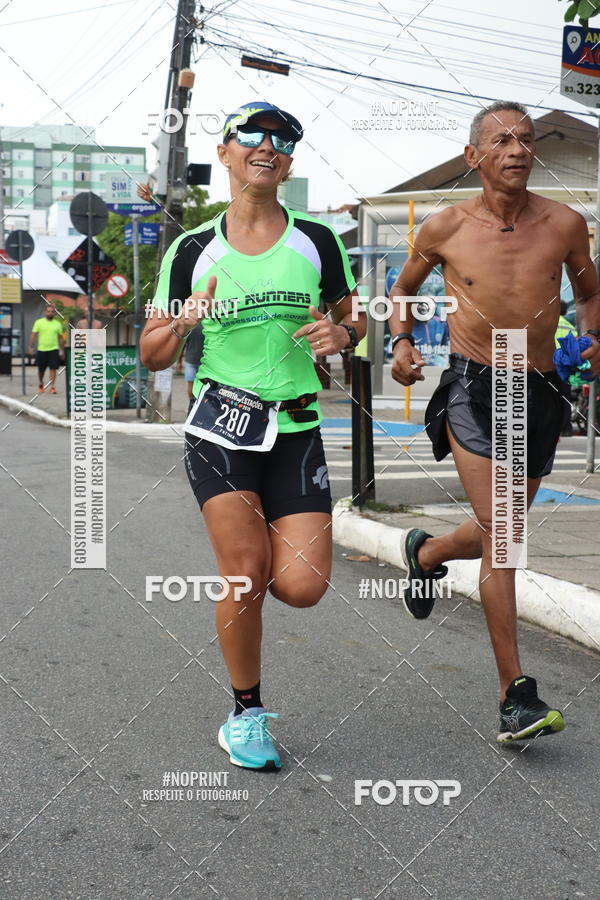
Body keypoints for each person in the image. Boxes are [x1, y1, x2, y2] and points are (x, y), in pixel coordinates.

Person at [140, 101, 365, 771]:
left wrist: (344, 335)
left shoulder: (318, 241)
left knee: (300, 586)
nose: (268, 145)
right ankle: (245, 714)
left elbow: (359, 323)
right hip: (223, 426)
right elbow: (152, 352)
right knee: (244, 573)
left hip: (296, 425)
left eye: (282, 139)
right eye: (253, 135)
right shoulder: (191, 249)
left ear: (289, 163)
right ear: (229, 151)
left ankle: (264, 555)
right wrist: (184, 321)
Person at [388, 101, 600, 744]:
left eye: (526, 139)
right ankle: (516, 695)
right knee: (505, 533)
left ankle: (425, 554)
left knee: (494, 528)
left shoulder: (565, 224)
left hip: (538, 388)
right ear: (474, 156)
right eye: (502, 140)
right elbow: (402, 292)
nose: (517, 148)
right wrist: (401, 342)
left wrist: (593, 333)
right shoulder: (443, 226)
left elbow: (590, 293)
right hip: (477, 387)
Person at [28, 303, 65, 393]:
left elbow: (60, 338)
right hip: (42, 350)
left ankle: (52, 387)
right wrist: (30, 347)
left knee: (53, 369)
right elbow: (33, 335)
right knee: (41, 370)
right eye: (48, 311)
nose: (50, 313)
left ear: (54, 313)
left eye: (52, 312)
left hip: (54, 350)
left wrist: (62, 351)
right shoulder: (39, 322)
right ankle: (41, 383)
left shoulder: (57, 324)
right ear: (45, 312)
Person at [554, 300, 578, 436]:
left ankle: (553, 426)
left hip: (551, 364)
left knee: (549, 397)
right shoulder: (569, 326)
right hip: (566, 366)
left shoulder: (550, 322)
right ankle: (566, 428)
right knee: (565, 397)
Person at [183, 323, 204, 400]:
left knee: (190, 384)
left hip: (190, 359)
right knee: (201, 385)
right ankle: (198, 403)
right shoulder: (206, 328)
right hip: (203, 360)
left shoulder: (190, 328)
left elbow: (184, 343)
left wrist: (179, 361)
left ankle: (191, 404)